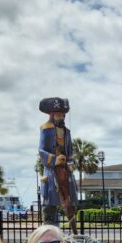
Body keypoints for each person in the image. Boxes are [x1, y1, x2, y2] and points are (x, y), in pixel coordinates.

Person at [38, 97, 77, 231]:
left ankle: (73, 229)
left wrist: (70, 163)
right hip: (51, 171)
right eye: (58, 114)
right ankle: (50, 230)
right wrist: (55, 160)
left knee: (71, 200)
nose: (61, 116)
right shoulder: (45, 129)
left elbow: (70, 151)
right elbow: (42, 150)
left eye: (63, 114)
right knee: (50, 202)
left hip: (66, 170)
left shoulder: (67, 132)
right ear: (51, 114)